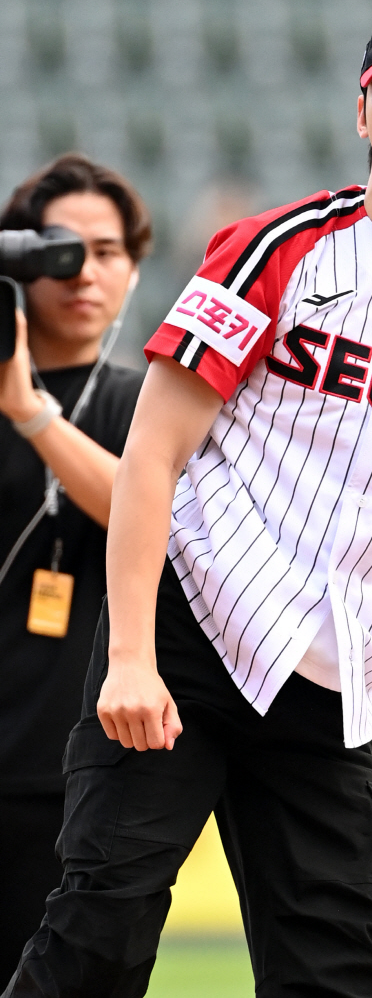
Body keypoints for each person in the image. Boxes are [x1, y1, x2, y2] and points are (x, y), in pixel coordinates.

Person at [5, 4, 372, 997]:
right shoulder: (277, 249)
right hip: (190, 634)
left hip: (332, 683)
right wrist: (132, 656)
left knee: (342, 973)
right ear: (360, 112)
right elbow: (153, 454)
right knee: (98, 934)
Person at [0, 153, 151, 980]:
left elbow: (147, 510)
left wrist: (29, 411)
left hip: (85, 770)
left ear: (134, 269)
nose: (82, 272)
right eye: (57, 251)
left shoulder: (146, 403)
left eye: (106, 251)